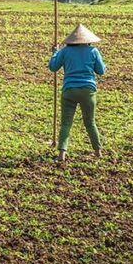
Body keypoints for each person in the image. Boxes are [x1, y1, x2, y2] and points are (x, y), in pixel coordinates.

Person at [48, 24, 106, 162]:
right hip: (88, 91)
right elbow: (101, 71)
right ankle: (98, 152)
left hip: (69, 90)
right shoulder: (93, 51)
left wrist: (54, 53)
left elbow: (53, 67)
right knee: (90, 122)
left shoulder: (65, 51)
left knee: (66, 123)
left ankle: (62, 154)